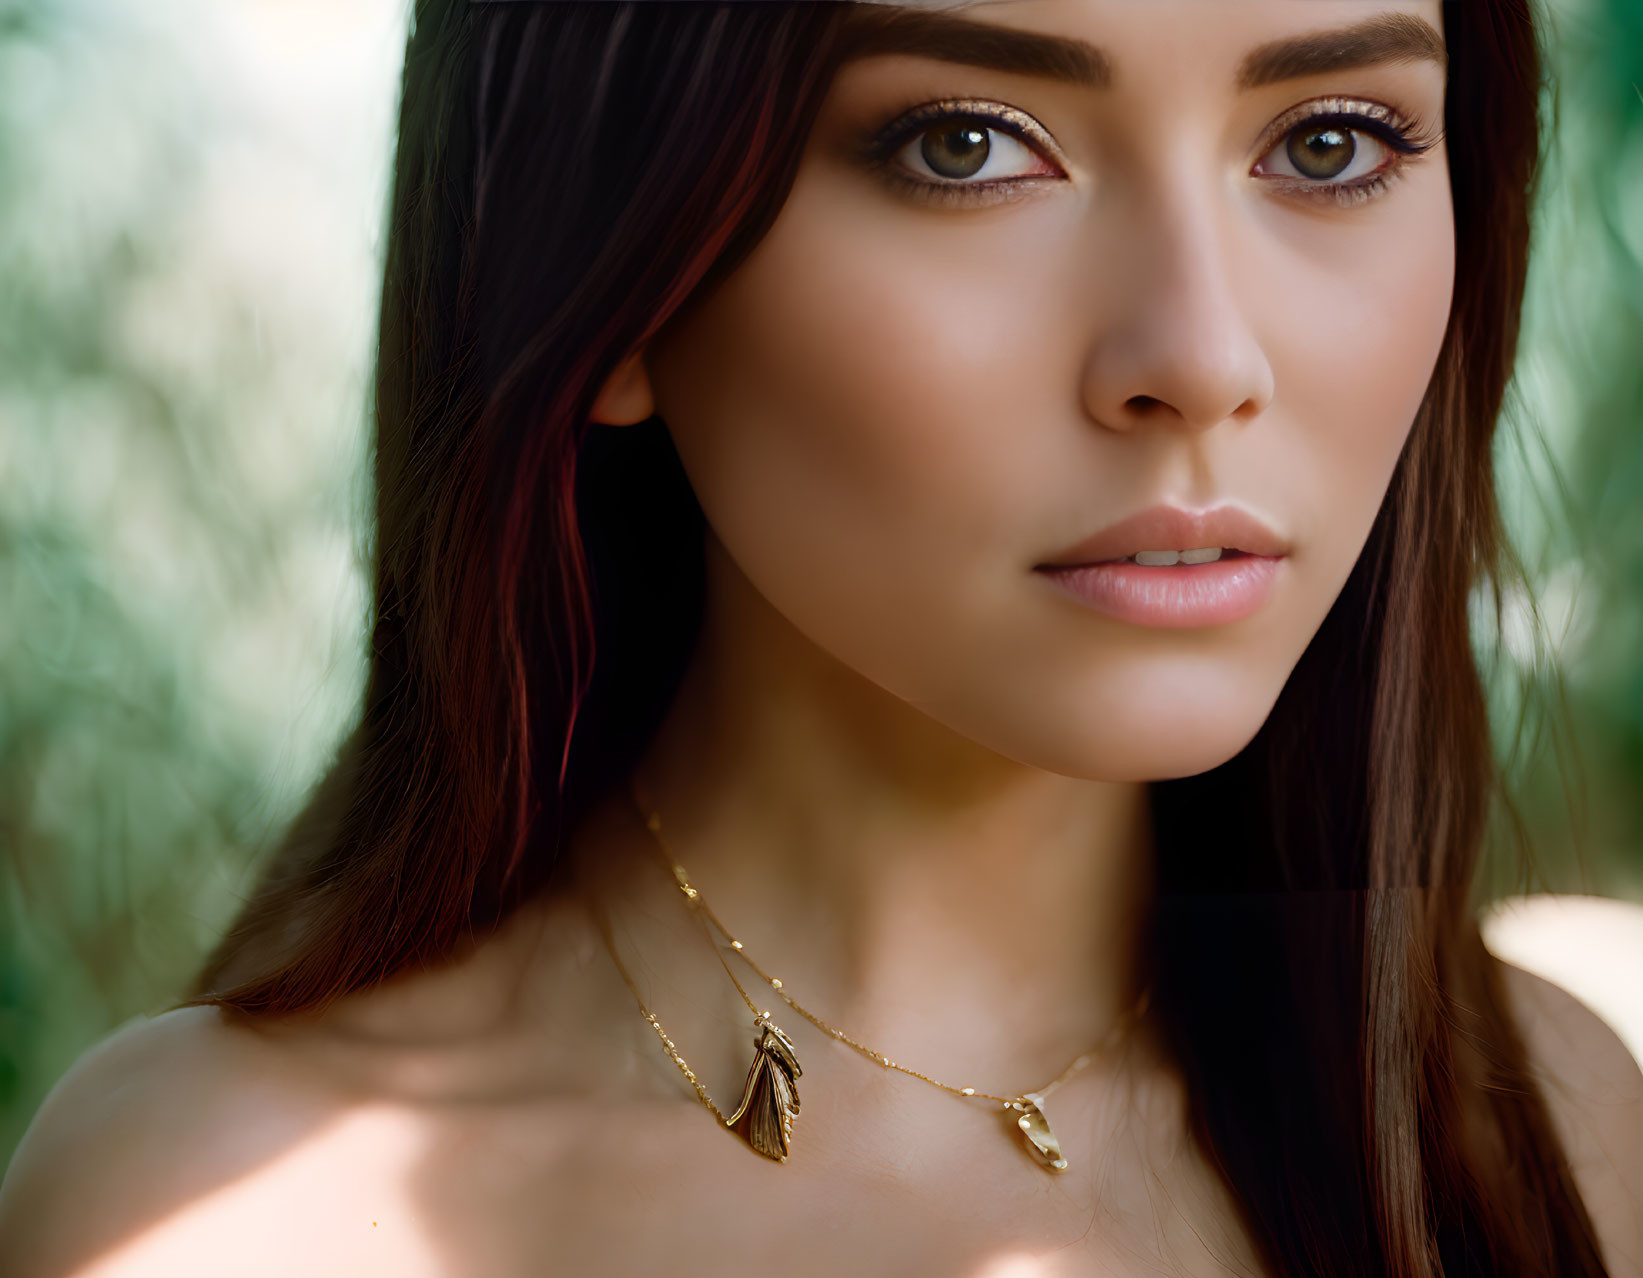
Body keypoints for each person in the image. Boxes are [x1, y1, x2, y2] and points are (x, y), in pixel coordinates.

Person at [1, 0, 1639, 1274]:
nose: (1200, 357)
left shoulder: (1555, 1134)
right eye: (964, 145)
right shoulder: (241, 1209)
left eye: (1335, 142)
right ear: (611, 267)